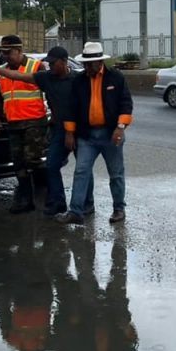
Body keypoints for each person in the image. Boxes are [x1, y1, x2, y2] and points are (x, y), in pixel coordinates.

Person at [0, 45, 94, 216]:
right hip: (58, 129)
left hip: (79, 130)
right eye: (48, 63)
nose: (50, 66)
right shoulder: (46, 78)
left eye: (53, 63)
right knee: (51, 165)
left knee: (83, 168)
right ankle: (58, 203)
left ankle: (87, 203)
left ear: (64, 62)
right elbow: (18, 75)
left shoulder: (78, 79)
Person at [56, 42, 133, 225]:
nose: (87, 67)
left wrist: (120, 127)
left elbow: (126, 103)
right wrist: (69, 133)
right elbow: (71, 108)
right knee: (81, 171)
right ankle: (76, 211)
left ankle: (118, 209)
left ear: (100, 62)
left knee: (116, 174)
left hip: (110, 134)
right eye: (85, 64)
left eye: (90, 64)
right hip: (87, 136)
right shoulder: (79, 81)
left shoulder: (116, 78)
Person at [0, 35, 49, 214]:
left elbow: (51, 91)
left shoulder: (36, 67)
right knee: (18, 163)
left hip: (34, 122)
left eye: (10, 53)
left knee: (33, 161)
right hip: (14, 123)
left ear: (19, 50)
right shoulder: (0, 72)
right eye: (4, 53)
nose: (7, 56)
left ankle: (48, 195)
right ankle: (25, 199)